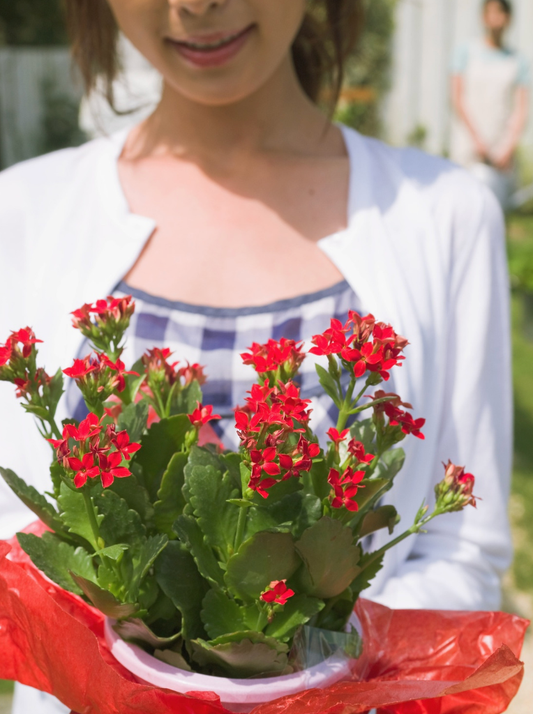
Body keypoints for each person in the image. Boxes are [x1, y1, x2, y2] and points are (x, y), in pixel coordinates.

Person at [0, 1, 512, 712]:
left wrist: (314, 670)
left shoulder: (444, 216)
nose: (194, 4)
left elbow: (461, 554)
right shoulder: (22, 211)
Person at [450, 0, 530, 207]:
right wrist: (477, 142)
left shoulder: (517, 60)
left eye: (500, 13)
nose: (495, 18)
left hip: (501, 149)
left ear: (509, 19)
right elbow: (457, 99)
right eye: (490, 12)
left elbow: (521, 109)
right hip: (468, 147)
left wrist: (507, 148)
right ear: (483, 17)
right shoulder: (465, 52)